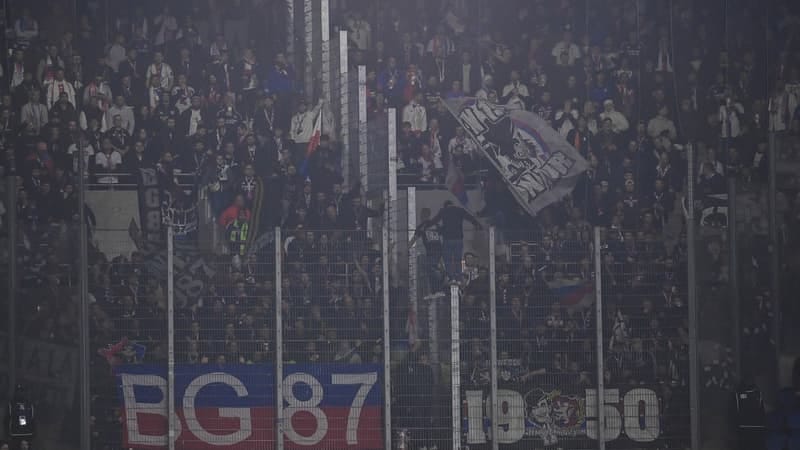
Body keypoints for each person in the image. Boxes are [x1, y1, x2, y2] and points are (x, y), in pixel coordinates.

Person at [416, 200, 482, 282]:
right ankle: (458, 277)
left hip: (447, 239)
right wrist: (478, 225)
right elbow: (470, 218)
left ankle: (450, 277)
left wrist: (426, 226)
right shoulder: (460, 210)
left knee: (448, 259)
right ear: (452, 204)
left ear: (445, 206)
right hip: (458, 239)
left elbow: (435, 220)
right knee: (457, 259)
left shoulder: (443, 211)